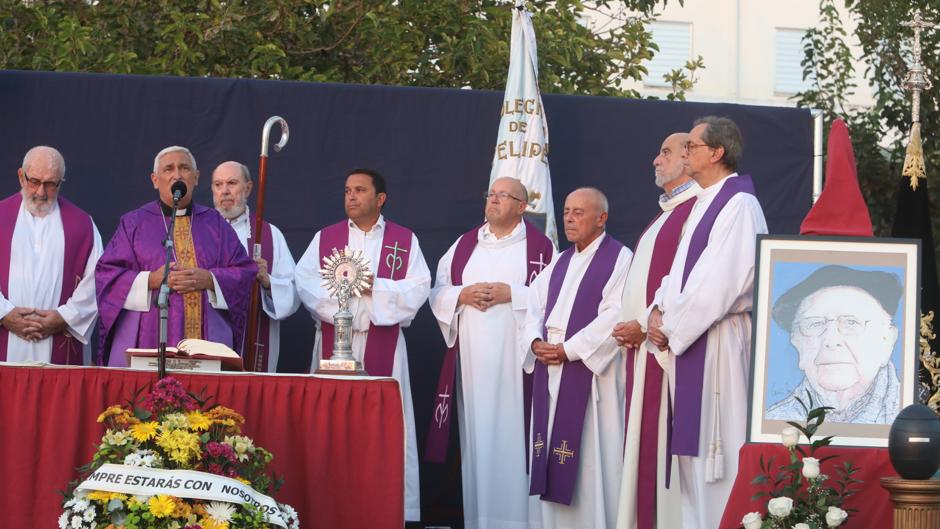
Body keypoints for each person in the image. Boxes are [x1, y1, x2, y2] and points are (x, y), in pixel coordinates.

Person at [646, 116, 768, 529]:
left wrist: (671, 327)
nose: (684, 153)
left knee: (720, 453)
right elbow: (677, 274)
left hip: (718, 341)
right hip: (692, 339)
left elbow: (720, 282)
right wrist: (656, 311)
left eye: (692, 147)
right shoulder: (703, 202)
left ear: (717, 152)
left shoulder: (738, 204)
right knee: (692, 462)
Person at [294, 168, 430, 522]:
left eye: (359, 190)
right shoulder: (327, 238)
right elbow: (305, 282)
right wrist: (345, 312)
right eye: (346, 190)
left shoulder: (403, 239)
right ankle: (328, 505)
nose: (350, 197)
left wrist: (374, 290)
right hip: (333, 344)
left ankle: (386, 508)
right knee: (328, 426)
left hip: (383, 342)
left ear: (380, 198)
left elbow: (419, 287)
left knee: (386, 429)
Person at [427, 176, 554, 529]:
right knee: (478, 444)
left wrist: (512, 293)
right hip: (472, 363)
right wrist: (461, 296)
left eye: (503, 195)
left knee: (515, 443)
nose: (493, 200)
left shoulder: (542, 249)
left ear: (522, 206)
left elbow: (555, 299)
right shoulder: (464, 245)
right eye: (490, 194)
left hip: (517, 368)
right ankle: (480, 520)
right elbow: (436, 292)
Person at [523, 187, 632, 529]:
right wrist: (535, 340)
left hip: (588, 373)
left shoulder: (619, 258)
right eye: (567, 211)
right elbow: (533, 304)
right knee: (550, 447)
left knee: (588, 459)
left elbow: (616, 314)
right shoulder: (560, 260)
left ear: (602, 218)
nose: (569, 218)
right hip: (550, 367)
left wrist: (568, 350)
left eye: (579, 212)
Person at [95, 146, 257, 366]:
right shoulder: (133, 224)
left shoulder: (216, 224)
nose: (177, 175)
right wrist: (151, 279)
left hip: (205, 342)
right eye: (168, 169)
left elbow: (244, 271)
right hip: (148, 338)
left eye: (184, 168)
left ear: (196, 178)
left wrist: (209, 279)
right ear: (155, 179)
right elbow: (107, 276)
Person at [614, 133, 700, 529]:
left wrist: (647, 321)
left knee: (665, 459)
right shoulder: (667, 214)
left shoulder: (698, 210)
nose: (655, 160)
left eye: (665, 152)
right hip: (641, 354)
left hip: (667, 356)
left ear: (689, 156)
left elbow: (687, 284)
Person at [0, 146, 102, 364]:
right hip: (5, 336)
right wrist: (4, 314)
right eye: (34, 181)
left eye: (50, 184)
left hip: (59, 341)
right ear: (21, 176)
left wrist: (64, 317)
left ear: (61, 181)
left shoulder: (83, 225)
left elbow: (97, 280)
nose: (40, 192)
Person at [767, 264, 902, 423]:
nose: (831, 341)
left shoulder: (911, 416)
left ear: (887, 340)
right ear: (796, 342)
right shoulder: (773, 422)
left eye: (851, 323)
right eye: (814, 324)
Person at [212, 161, 300, 372]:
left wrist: (268, 280)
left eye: (232, 183)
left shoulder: (270, 235)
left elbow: (293, 292)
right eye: (218, 184)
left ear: (249, 188)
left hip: (254, 336)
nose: (224, 191)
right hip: (209, 333)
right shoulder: (197, 231)